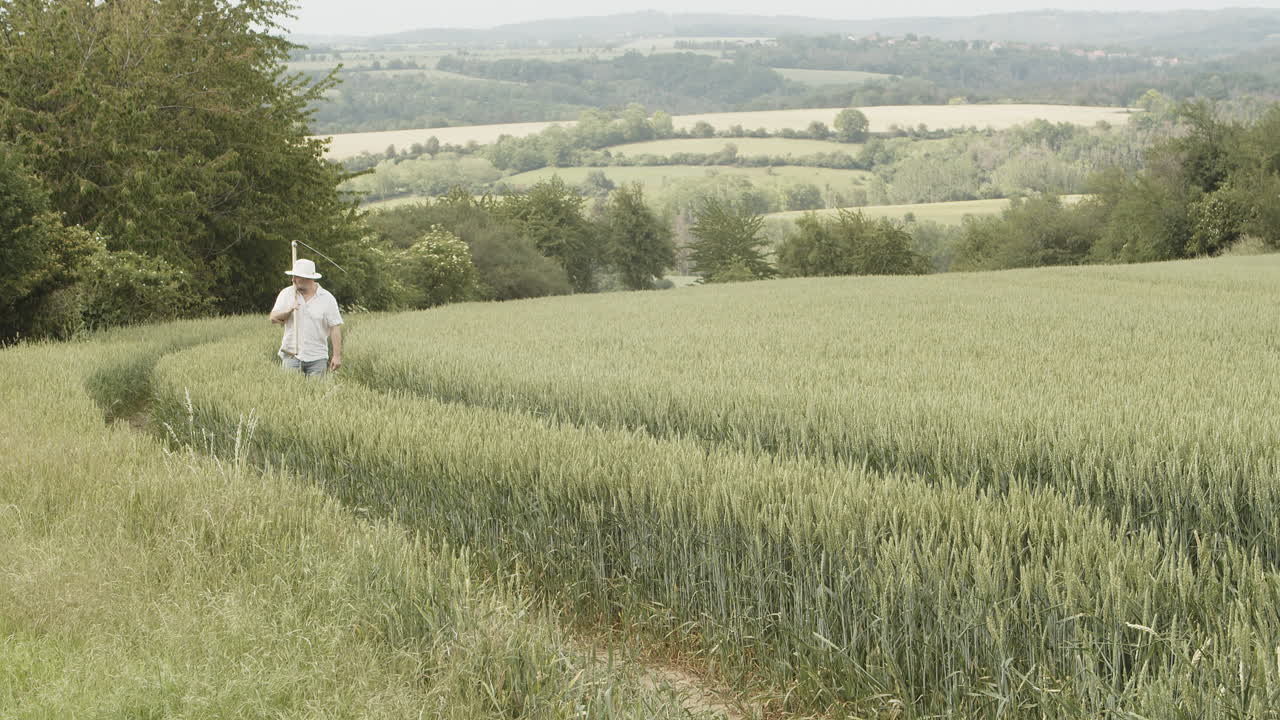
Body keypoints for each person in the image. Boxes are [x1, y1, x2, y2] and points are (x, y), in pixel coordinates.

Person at [270, 258, 343, 377]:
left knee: (316, 394)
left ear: (308, 278)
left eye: (296, 276)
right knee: (290, 393)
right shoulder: (287, 293)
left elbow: (335, 328)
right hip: (291, 355)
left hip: (317, 358)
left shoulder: (327, 298)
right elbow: (273, 318)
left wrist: (336, 356)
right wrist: (288, 310)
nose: (293, 279)